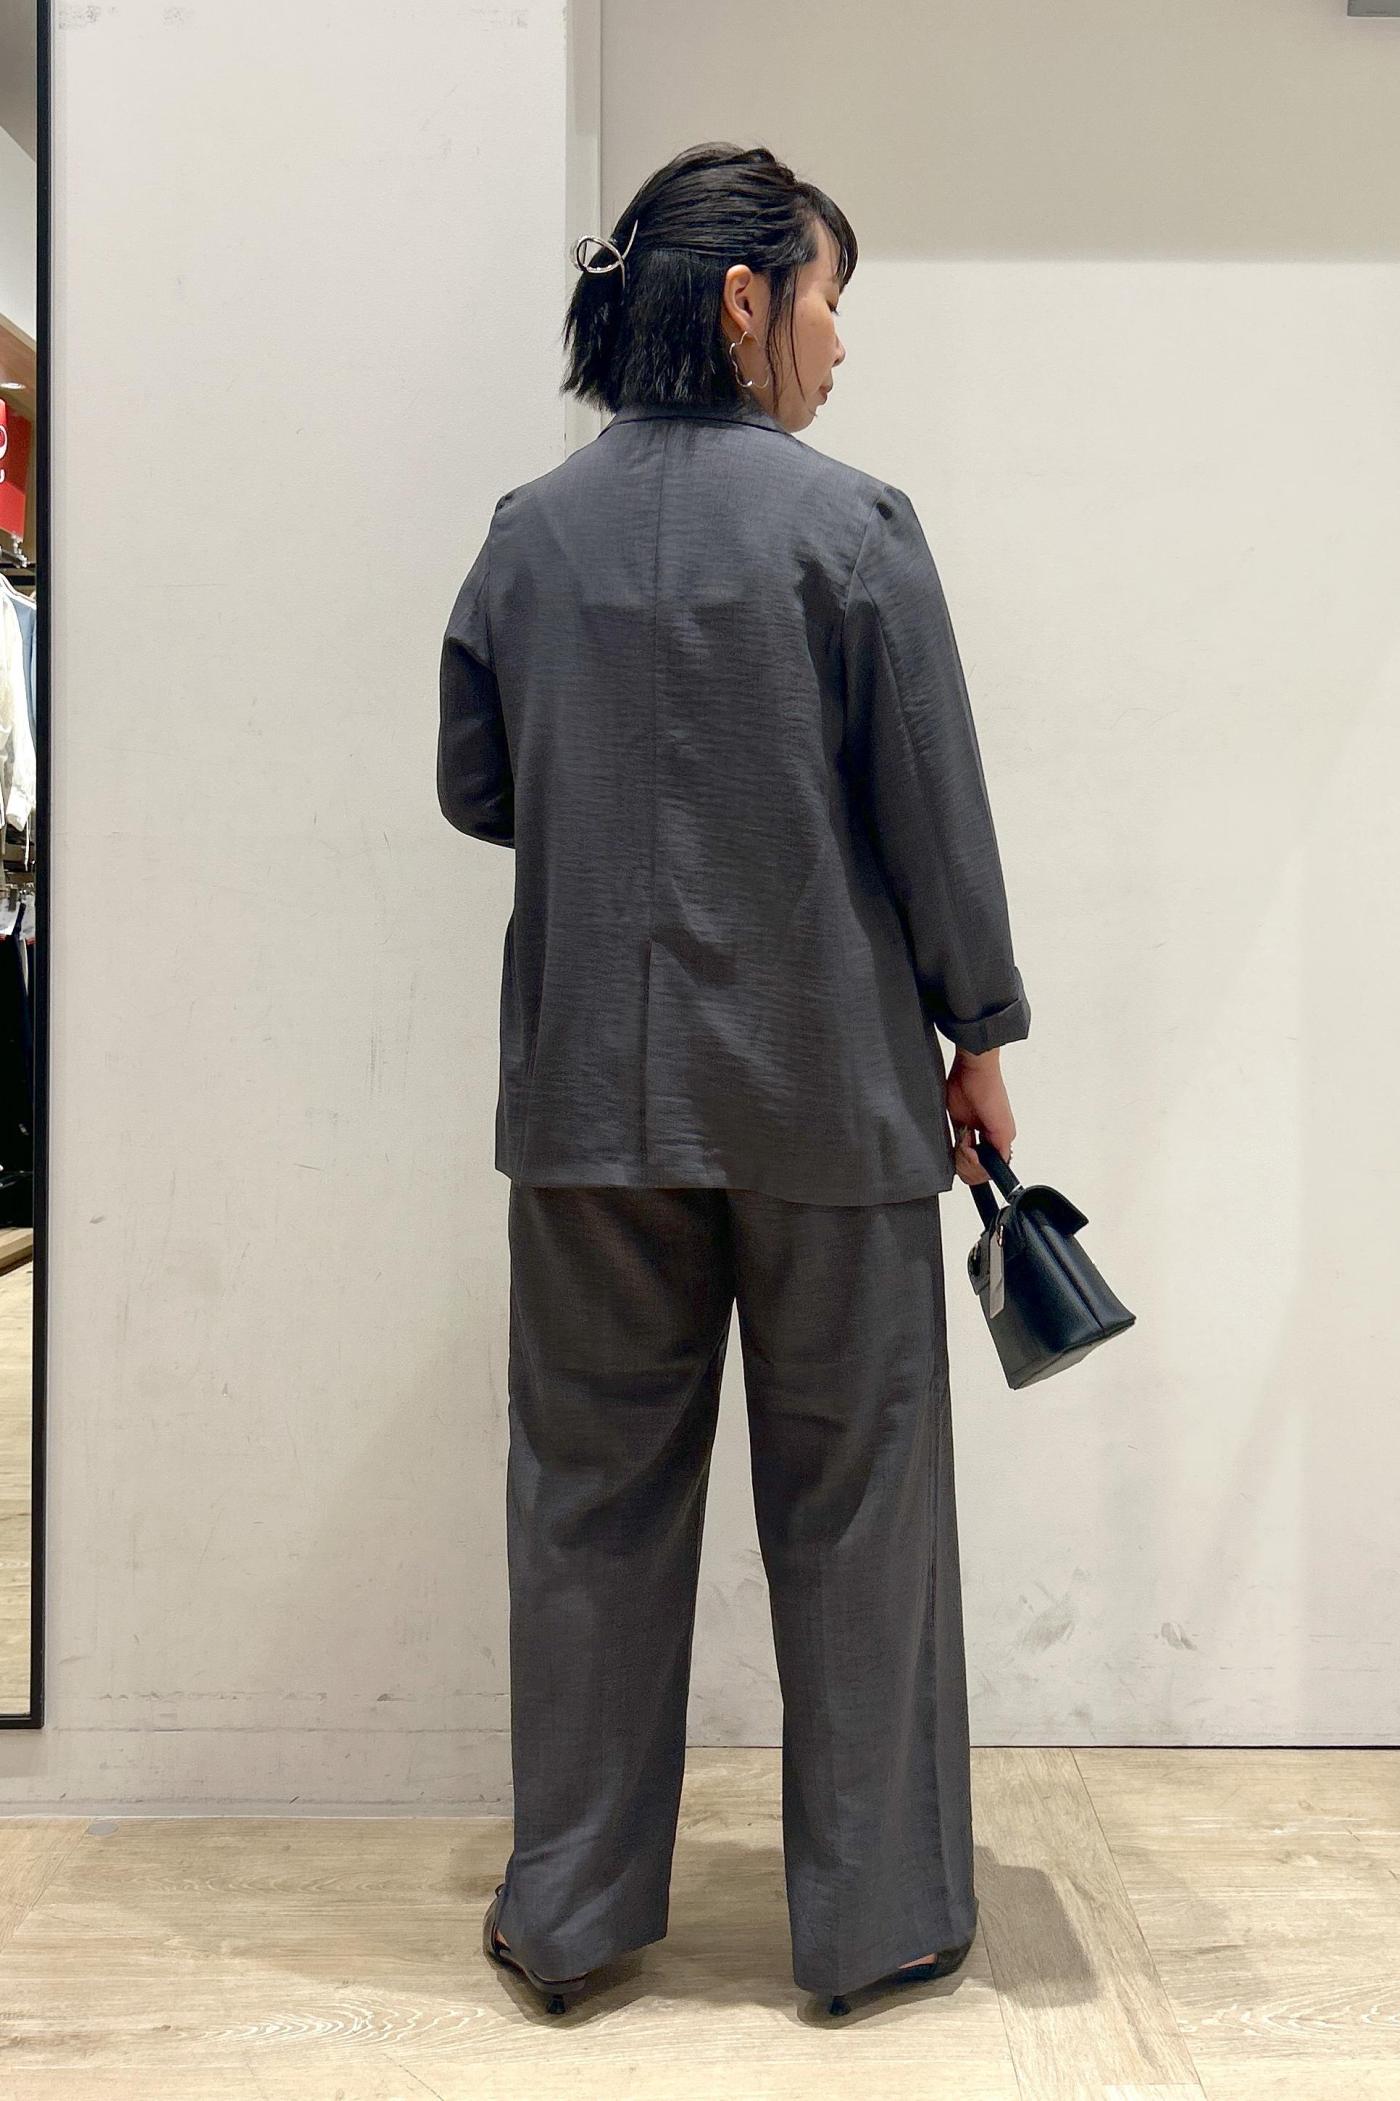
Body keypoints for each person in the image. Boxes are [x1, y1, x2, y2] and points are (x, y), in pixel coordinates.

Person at [438, 141, 1029, 2018]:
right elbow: (934, 817)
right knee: (859, 1504)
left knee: (585, 1503)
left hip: (588, 1112)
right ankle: (877, 1920)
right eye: (833, 297)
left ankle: (569, 1915)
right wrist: (979, 1037)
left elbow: (477, 785)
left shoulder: (528, 532)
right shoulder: (852, 528)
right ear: (749, 300)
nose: (843, 343)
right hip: (827, 1099)